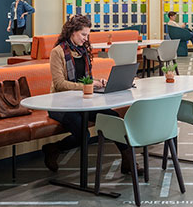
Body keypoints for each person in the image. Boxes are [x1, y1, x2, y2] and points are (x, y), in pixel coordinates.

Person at [42, 15, 138, 175]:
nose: (86, 38)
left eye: (87, 35)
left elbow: (84, 78)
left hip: (83, 101)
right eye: (83, 35)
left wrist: (96, 81)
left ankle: (128, 160)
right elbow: (59, 84)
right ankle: (53, 149)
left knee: (113, 117)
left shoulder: (83, 51)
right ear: (72, 32)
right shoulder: (57, 52)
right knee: (83, 135)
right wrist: (87, 85)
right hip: (60, 104)